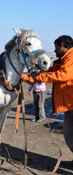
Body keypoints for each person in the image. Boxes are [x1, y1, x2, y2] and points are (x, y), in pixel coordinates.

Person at [22, 35, 73, 167]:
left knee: (70, 134)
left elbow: (62, 75)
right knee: (69, 135)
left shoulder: (71, 58)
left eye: (56, 47)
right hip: (69, 105)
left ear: (62, 45)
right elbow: (52, 71)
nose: (54, 50)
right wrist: (29, 77)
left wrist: (38, 76)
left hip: (71, 103)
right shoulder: (64, 59)